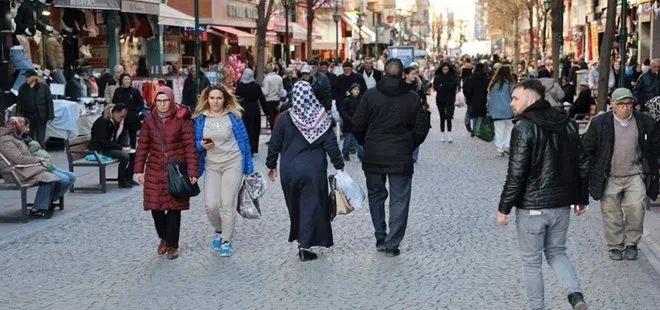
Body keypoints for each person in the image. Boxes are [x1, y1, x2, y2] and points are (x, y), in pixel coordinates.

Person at [497, 79, 589, 310]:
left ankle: (537, 308)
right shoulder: (567, 123)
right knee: (557, 252)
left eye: (516, 98)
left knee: (531, 262)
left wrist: (503, 208)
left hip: (533, 208)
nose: (511, 103)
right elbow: (582, 162)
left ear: (532, 99)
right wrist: (581, 197)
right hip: (561, 205)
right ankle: (575, 294)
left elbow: (516, 172)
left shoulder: (524, 128)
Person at [352, 58, 431, 257]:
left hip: (374, 154)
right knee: (400, 199)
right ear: (402, 74)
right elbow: (422, 126)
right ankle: (392, 242)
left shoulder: (370, 96)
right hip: (400, 154)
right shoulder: (412, 98)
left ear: (384, 73)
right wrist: (410, 144)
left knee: (376, 197)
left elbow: (358, 124)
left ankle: (380, 235)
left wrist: (366, 142)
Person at [266, 81, 344, 261]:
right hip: (313, 170)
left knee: (295, 205)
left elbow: (275, 143)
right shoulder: (321, 118)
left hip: (289, 169)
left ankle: (302, 239)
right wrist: (339, 165)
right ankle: (305, 245)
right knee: (311, 205)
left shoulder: (285, 118)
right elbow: (331, 144)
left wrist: (271, 165)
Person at [582, 88, 660, 261]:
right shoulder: (600, 123)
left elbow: (654, 146)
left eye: (628, 103)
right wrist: (589, 171)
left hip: (635, 174)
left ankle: (632, 243)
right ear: (613, 105)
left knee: (636, 209)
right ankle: (615, 245)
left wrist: (652, 168)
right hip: (609, 175)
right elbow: (588, 148)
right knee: (611, 213)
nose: (625, 108)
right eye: (620, 104)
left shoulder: (644, 122)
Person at [134, 86, 198, 260]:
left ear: (171, 100)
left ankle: (172, 245)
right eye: (159, 101)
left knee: (173, 209)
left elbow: (190, 147)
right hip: (154, 169)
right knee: (155, 208)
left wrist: (192, 171)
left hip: (175, 170)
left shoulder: (182, 118)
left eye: (166, 100)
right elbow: (143, 146)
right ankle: (164, 237)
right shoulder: (149, 120)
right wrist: (138, 169)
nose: (162, 104)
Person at [194, 84, 254, 257]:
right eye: (212, 98)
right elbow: (194, 142)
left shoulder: (233, 117)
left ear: (224, 99)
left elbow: (244, 141)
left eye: (219, 98)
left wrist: (248, 168)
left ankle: (227, 241)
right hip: (211, 165)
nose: (215, 101)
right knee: (210, 205)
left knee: (227, 203)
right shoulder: (200, 118)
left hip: (232, 163)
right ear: (207, 99)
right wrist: (201, 145)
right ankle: (219, 229)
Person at [0, 117, 60, 218]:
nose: (27, 129)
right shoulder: (5, 140)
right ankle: (39, 208)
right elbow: (19, 159)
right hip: (14, 173)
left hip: (20, 169)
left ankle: (42, 205)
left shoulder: (14, 137)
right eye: (24, 126)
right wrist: (39, 160)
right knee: (48, 177)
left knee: (51, 176)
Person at [89, 103, 134, 188]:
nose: (122, 119)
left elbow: (122, 135)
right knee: (124, 156)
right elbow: (104, 142)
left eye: (123, 117)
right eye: (121, 116)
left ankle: (128, 178)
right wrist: (121, 148)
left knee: (134, 154)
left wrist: (125, 146)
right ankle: (122, 181)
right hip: (100, 149)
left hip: (109, 147)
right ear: (115, 113)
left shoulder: (116, 121)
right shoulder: (102, 121)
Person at [15, 69, 53, 147]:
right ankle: (31, 156)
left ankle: (42, 156)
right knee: (28, 138)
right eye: (25, 76)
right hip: (27, 116)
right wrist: (18, 116)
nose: (26, 78)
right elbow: (19, 103)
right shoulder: (22, 88)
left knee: (40, 139)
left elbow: (49, 102)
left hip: (40, 116)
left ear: (35, 77)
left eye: (28, 77)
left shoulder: (43, 87)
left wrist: (50, 116)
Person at [235, 68, 267, 155]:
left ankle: (244, 147)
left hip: (243, 109)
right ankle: (252, 148)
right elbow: (262, 99)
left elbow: (236, 98)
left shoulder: (240, 85)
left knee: (244, 128)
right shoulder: (256, 86)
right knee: (253, 129)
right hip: (254, 109)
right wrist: (266, 111)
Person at [486, 65, 515, 156]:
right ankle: (507, 145)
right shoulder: (510, 84)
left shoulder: (493, 84)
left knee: (499, 130)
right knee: (510, 128)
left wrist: (489, 109)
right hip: (508, 110)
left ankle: (500, 149)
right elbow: (513, 96)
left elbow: (489, 98)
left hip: (496, 111)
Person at [112, 73, 144, 152]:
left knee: (132, 135)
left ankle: (133, 150)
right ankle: (120, 149)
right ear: (121, 81)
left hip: (132, 117)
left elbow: (140, 102)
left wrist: (136, 111)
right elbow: (114, 102)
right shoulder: (118, 91)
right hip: (121, 118)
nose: (127, 81)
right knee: (120, 134)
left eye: (128, 79)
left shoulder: (134, 91)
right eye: (125, 79)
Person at [404, 66, 429, 163]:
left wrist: (424, 105)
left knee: (416, 133)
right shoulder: (401, 85)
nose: (415, 76)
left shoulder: (418, 85)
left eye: (416, 74)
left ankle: (414, 156)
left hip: (416, 113)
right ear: (406, 75)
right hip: (404, 113)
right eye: (412, 74)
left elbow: (423, 97)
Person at [433, 62, 458, 142]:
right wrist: (445, 86)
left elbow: (453, 86)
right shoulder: (438, 76)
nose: (445, 71)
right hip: (440, 99)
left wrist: (443, 85)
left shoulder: (452, 76)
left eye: (447, 69)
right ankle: (442, 134)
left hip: (450, 99)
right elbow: (437, 87)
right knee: (442, 117)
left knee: (449, 117)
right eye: (444, 69)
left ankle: (449, 134)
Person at [338, 83, 363, 161]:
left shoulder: (361, 100)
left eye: (358, 89)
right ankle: (345, 153)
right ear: (351, 90)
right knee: (347, 142)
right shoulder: (347, 100)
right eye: (355, 89)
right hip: (348, 125)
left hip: (358, 125)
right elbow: (342, 111)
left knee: (358, 142)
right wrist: (349, 118)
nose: (357, 91)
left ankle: (361, 156)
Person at [463, 62, 489, 136]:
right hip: (483, 99)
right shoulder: (486, 78)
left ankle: (474, 129)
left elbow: (465, 89)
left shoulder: (470, 78)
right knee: (481, 115)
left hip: (472, 100)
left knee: (474, 115)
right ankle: (478, 130)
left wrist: (468, 97)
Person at [262, 63, 287, 129]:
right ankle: (276, 130)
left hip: (269, 100)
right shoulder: (279, 78)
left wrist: (260, 88)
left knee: (271, 117)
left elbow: (265, 92)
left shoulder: (267, 79)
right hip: (277, 100)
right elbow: (282, 91)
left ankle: (273, 130)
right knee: (276, 117)